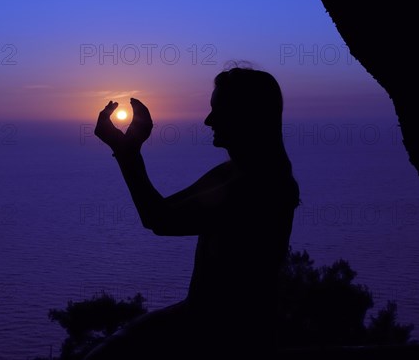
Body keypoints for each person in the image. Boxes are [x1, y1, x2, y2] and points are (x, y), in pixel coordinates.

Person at [86, 67, 300, 360]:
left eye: (219, 110)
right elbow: (161, 211)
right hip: (209, 322)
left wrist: (127, 153)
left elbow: (158, 220)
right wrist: (128, 151)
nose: (208, 120)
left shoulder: (255, 186)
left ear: (248, 115)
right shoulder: (233, 173)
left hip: (227, 335)